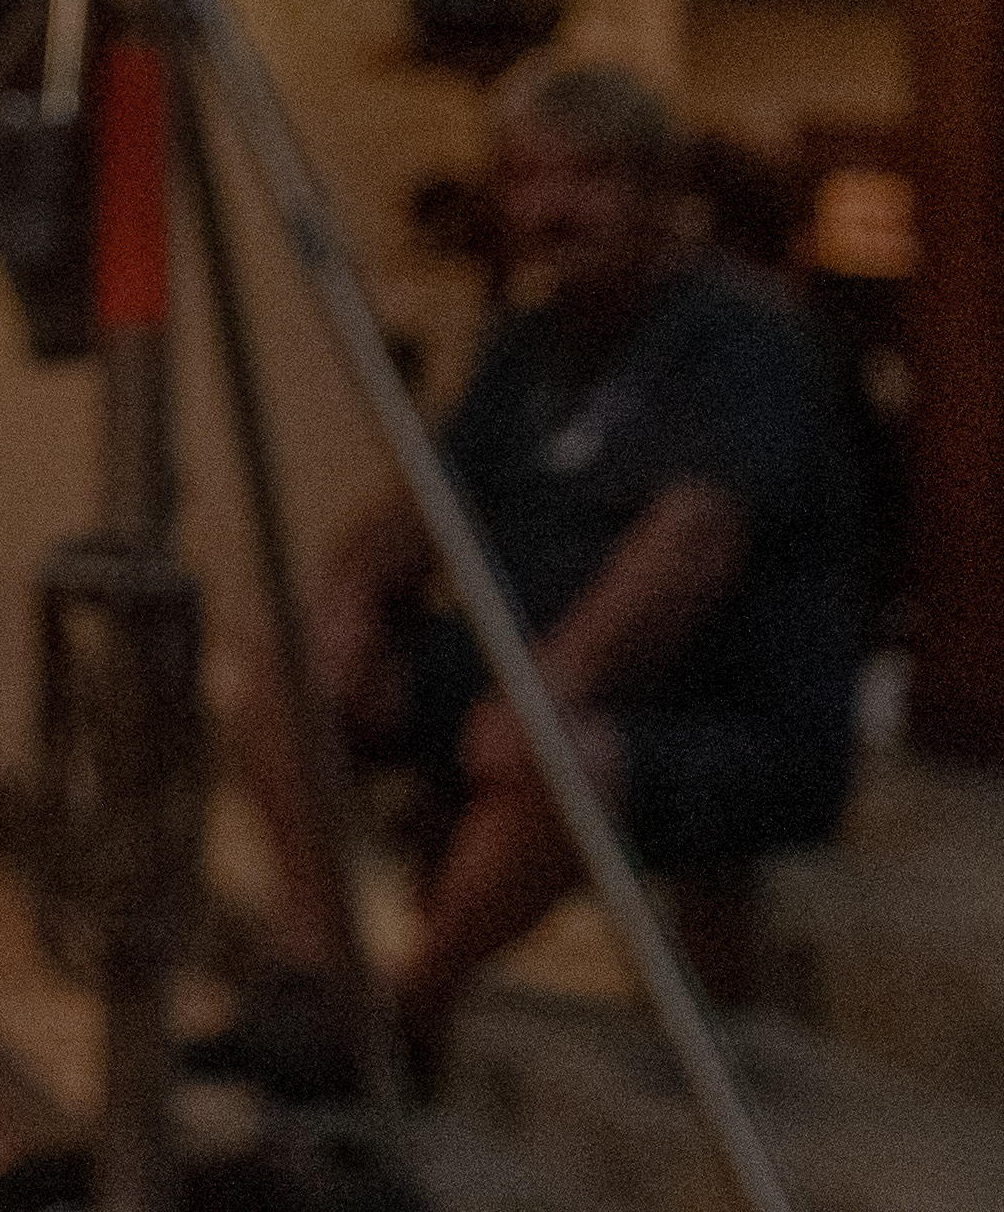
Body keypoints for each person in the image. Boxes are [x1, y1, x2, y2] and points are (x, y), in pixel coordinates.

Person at [222, 59, 866, 1091]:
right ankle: (318, 966)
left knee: (555, 756)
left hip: (710, 716)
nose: (552, 208)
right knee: (295, 651)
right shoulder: (528, 340)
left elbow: (691, 540)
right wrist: (346, 600)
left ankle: (409, 1014)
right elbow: (426, 501)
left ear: (659, 189)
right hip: (524, 673)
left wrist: (550, 681)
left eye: (588, 177)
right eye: (527, 180)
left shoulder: (743, 338)